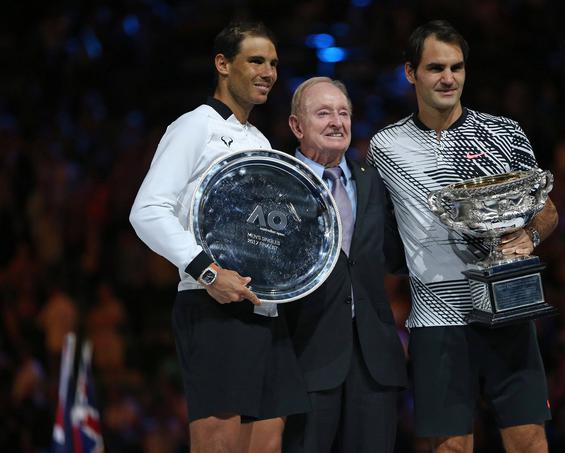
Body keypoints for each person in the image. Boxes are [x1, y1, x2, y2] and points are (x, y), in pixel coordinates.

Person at [368, 20, 558, 453]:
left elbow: (547, 209)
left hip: (508, 305)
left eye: (457, 67)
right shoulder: (386, 146)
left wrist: (529, 234)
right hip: (437, 318)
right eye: (436, 67)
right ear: (411, 73)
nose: (448, 78)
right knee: (451, 446)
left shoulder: (504, 132)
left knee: (529, 439)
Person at [129, 22, 308, 453]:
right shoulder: (195, 127)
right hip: (211, 305)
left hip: (262, 309)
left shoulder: (261, 141)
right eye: (256, 61)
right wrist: (209, 273)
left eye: (273, 64)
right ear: (223, 64)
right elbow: (147, 211)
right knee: (218, 444)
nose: (268, 71)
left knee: (267, 442)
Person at [274, 77, 408, 453]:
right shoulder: (277, 184)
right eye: (323, 113)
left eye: (343, 113)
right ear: (296, 126)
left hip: (374, 364)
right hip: (305, 358)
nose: (337, 122)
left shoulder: (375, 183)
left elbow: (397, 256)